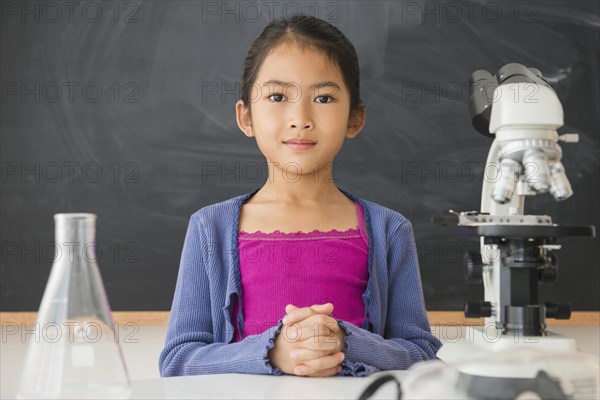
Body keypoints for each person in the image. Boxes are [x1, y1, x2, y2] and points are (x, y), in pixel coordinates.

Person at [159, 13, 441, 378]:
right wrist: (272, 351)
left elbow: (421, 354)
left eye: (323, 97)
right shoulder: (209, 228)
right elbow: (179, 359)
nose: (300, 117)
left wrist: (345, 341)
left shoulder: (390, 230)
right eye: (277, 96)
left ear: (354, 118)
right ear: (246, 117)